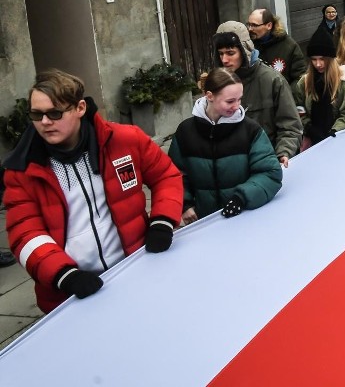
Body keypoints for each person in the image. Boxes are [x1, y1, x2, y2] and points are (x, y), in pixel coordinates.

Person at [3, 69, 183, 313]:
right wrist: (64, 275)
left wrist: (162, 221)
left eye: (54, 113)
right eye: (36, 114)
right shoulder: (22, 169)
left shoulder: (126, 140)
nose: (45, 122)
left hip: (137, 269)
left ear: (79, 108)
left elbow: (166, 176)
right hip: (73, 292)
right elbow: (24, 233)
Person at [168, 68, 282, 224]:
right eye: (230, 101)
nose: (236, 106)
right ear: (210, 96)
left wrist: (242, 198)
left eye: (239, 99)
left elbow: (270, 173)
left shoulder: (250, 130)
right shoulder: (185, 132)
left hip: (246, 218)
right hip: (204, 224)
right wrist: (185, 204)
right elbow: (174, 175)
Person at [213, 21, 302, 167]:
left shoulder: (272, 80)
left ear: (244, 50)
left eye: (230, 53)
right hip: (230, 165)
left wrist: (284, 153)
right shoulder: (217, 83)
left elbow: (290, 125)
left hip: (266, 163)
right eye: (220, 54)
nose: (224, 60)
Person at [293, 30, 345, 149]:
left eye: (322, 59)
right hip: (313, 141)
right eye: (314, 59)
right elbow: (299, 108)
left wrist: (333, 132)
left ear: (330, 59)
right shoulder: (304, 83)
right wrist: (308, 128)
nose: (318, 64)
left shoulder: (344, 83)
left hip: (339, 139)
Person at [246, 8, 307, 87]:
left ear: (269, 25)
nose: (250, 29)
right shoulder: (247, 44)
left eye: (254, 25)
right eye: (249, 24)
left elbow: (300, 78)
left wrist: (286, 96)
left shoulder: (289, 46)